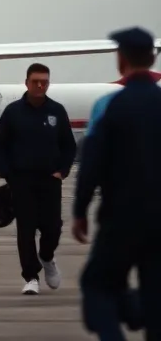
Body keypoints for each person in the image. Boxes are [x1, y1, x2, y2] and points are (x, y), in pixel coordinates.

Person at [72, 26, 159, 338]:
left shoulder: (108, 107)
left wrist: (80, 210)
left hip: (121, 220)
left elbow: (91, 164)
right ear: (152, 58)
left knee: (96, 287)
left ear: (121, 60)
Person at [0, 62, 77, 295]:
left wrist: (62, 170)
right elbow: (0, 147)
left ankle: (47, 258)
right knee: (26, 231)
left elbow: (69, 146)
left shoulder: (57, 111)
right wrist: (8, 174)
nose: (40, 85)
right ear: (27, 83)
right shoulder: (13, 112)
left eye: (45, 82)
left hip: (50, 180)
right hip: (22, 181)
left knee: (53, 228)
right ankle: (31, 277)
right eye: (36, 81)